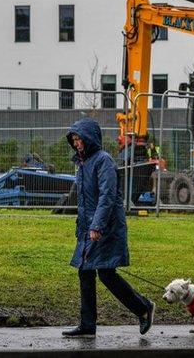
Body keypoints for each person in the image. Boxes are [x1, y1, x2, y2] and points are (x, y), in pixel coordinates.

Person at [63, 117, 155, 338]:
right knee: (85, 273)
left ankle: (143, 308)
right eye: (74, 140)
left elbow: (107, 197)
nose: (76, 143)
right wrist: (83, 226)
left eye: (79, 139)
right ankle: (87, 325)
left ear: (89, 138)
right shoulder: (83, 163)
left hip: (105, 228)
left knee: (106, 273)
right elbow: (85, 200)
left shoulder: (103, 161)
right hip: (90, 229)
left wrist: (97, 226)